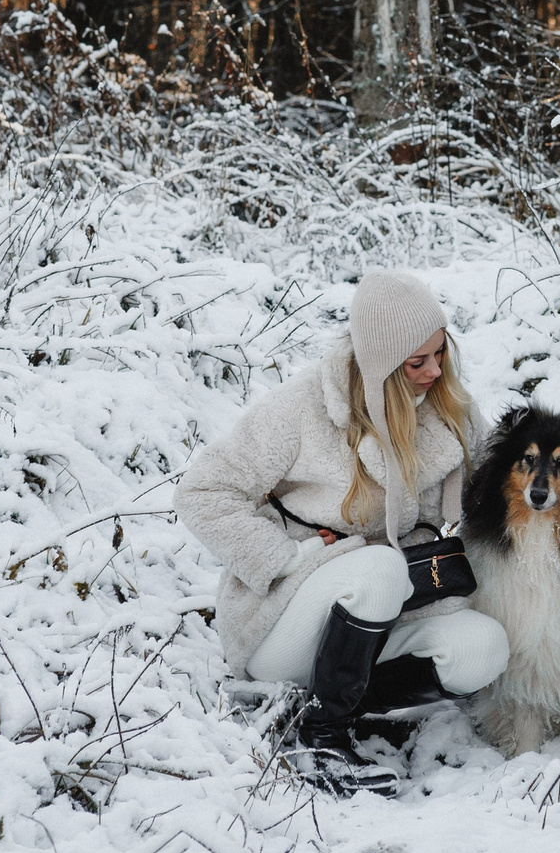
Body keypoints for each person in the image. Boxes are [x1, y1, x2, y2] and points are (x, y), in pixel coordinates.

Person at [176, 270, 510, 790]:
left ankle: (341, 704)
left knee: (482, 647)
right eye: (416, 362)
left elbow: (500, 491)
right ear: (378, 363)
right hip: (285, 617)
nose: (434, 371)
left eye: (440, 354)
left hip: (387, 613)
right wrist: (287, 556)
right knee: (379, 567)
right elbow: (201, 492)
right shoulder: (304, 406)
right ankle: (320, 738)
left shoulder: (449, 412)